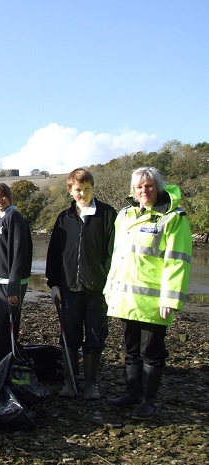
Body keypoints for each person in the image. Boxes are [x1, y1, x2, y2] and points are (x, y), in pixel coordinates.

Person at [104, 167, 192, 420]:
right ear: (133, 191)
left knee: (151, 353)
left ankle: (148, 401)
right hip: (126, 297)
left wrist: (171, 297)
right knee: (130, 349)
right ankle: (131, 393)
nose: (144, 191)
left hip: (154, 301)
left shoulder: (174, 218)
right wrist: (110, 288)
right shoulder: (125, 215)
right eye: (139, 187)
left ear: (159, 187)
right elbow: (118, 257)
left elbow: (177, 261)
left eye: (149, 186)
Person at [46, 169, 116, 399]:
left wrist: (108, 281)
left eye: (87, 189)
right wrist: (53, 283)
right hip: (69, 289)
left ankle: (91, 384)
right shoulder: (64, 218)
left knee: (96, 335)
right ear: (70, 190)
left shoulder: (107, 215)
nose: (83, 194)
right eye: (78, 190)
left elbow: (112, 253)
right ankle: (69, 382)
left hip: (97, 290)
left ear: (93, 187)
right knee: (69, 337)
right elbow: (54, 253)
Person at [0, 183, 33, 361]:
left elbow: (20, 253)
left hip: (9, 286)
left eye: (2, 196)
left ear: (9, 196)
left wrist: (13, 287)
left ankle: (8, 365)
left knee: (5, 328)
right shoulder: (3, 217)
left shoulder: (15, 217)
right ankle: (2, 360)